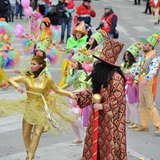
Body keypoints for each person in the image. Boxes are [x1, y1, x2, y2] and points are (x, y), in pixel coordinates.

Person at [0, 55, 76, 160]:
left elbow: (57, 90)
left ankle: (29, 157)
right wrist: (18, 86)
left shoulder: (47, 78)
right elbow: (11, 80)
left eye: (34, 64)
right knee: (26, 135)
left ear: (40, 66)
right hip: (29, 108)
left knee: (36, 135)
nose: (31, 66)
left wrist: (70, 94)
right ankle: (29, 153)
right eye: (31, 63)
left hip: (41, 109)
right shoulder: (26, 76)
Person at [72, 37, 127, 160]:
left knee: (109, 147)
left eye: (99, 63)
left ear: (105, 65)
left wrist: (103, 106)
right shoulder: (102, 76)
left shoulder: (116, 77)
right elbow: (96, 93)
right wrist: (79, 96)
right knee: (95, 144)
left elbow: (118, 97)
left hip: (111, 120)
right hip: (98, 117)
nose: (96, 65)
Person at [131, 33, 160, 135]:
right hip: (141, 82)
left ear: (151, 47)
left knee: (150, 105)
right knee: (142, 104)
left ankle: (158, 125)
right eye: (144, 44)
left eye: (146, 45)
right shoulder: (143, 56)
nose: (144, 46)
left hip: (148, 83)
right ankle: (144, 125)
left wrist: (146, 79)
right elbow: (137, 68)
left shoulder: (155, 58)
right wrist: (133, 78)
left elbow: (153, 71)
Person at [61, 51, 89, 144]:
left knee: (74, 119)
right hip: (74, 97)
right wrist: (58, 90)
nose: (72, 64)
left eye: (74, 62)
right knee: (71, 119)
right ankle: (78, 138)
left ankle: (88, 133)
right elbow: (68, 83)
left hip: (80, 98)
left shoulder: (82, 73)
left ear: (79, 63)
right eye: (71, 61)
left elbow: (83, 87)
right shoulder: (72, 71)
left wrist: (74, 93)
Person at [121, 42, 142, 129]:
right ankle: (127, 118)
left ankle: (136, 122)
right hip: (125, 84)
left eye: (128, 55)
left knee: (130, 102)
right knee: (127, 102)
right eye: (125, 55)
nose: (126, 57)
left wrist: (135, 81)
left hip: (131, 85)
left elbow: (136, 74)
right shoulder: (124, 64)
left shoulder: (135, 65)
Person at [0, 18, 21, 89]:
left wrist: (7, 41)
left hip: (2, 51)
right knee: (0, 68)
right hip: (3, 50)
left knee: (0, 68)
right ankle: (0, 82)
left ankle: (7, 81)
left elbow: (7, 40)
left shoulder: (3, 33)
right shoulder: (4, 32)